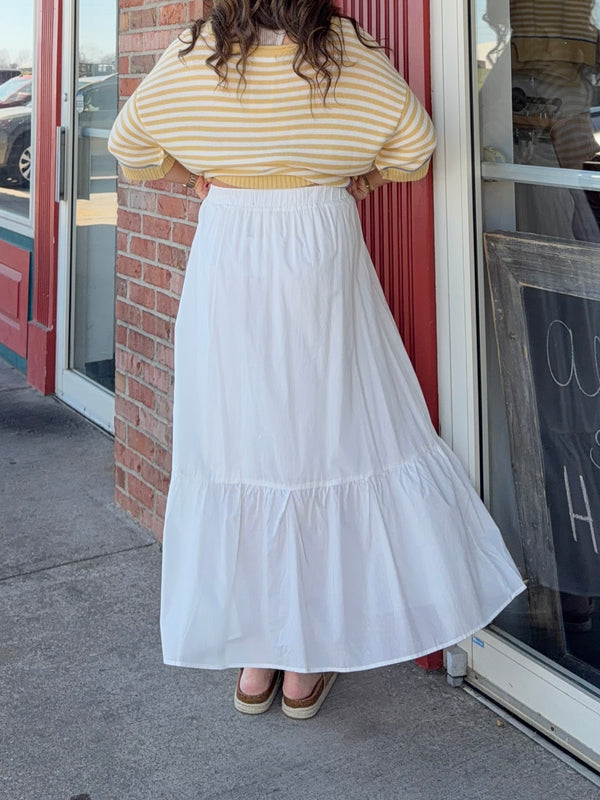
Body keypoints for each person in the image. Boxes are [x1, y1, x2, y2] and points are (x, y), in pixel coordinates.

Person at [109, 0, 525, 720]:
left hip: (229, 250)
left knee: (240, 440)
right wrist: (357, 182)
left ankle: (256, 660)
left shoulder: (200, 47)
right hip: (320, 246)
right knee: (322, 439)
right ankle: (303, 664)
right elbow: (414, 147)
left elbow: (131, 145)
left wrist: (197, 178)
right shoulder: (345, 48)